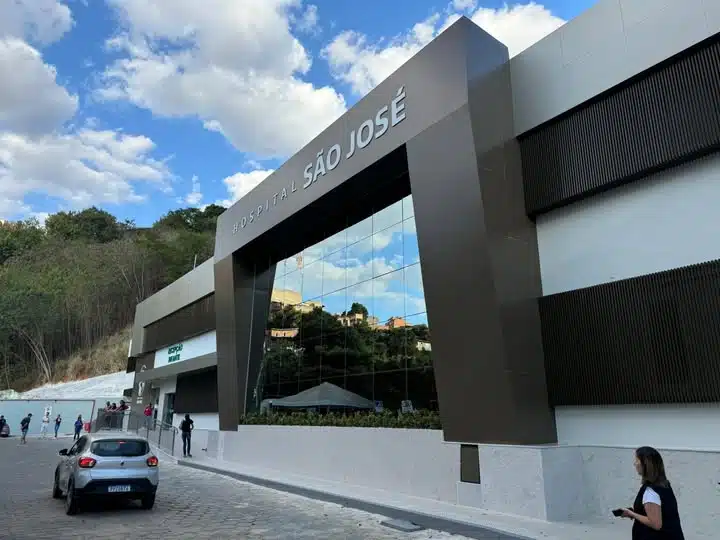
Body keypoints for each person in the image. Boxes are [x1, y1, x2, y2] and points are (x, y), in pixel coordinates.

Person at [621, 446, 685, 539]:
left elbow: (656, 524)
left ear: (646, 465)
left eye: (637, 460)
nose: (635, 464)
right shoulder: (664, 485)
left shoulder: (651, 492)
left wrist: (632, 514)